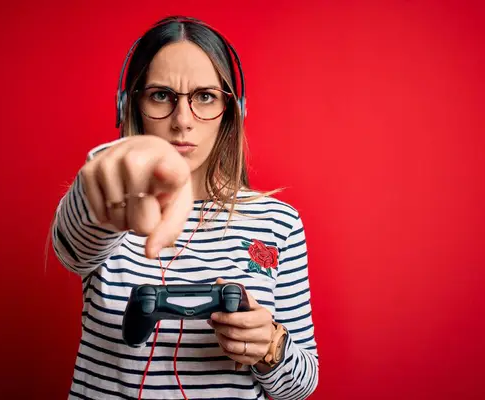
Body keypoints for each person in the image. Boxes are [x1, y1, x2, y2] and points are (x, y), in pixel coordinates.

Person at [51, 15, 319, 400]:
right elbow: (73, 248)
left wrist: (270, 349)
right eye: (161, 95)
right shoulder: (109, 204)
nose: (182, 121)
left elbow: (301, 386)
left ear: (233, 110)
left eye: (205, 97)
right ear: (131, 104)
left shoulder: (279, 222)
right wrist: (106, 186)